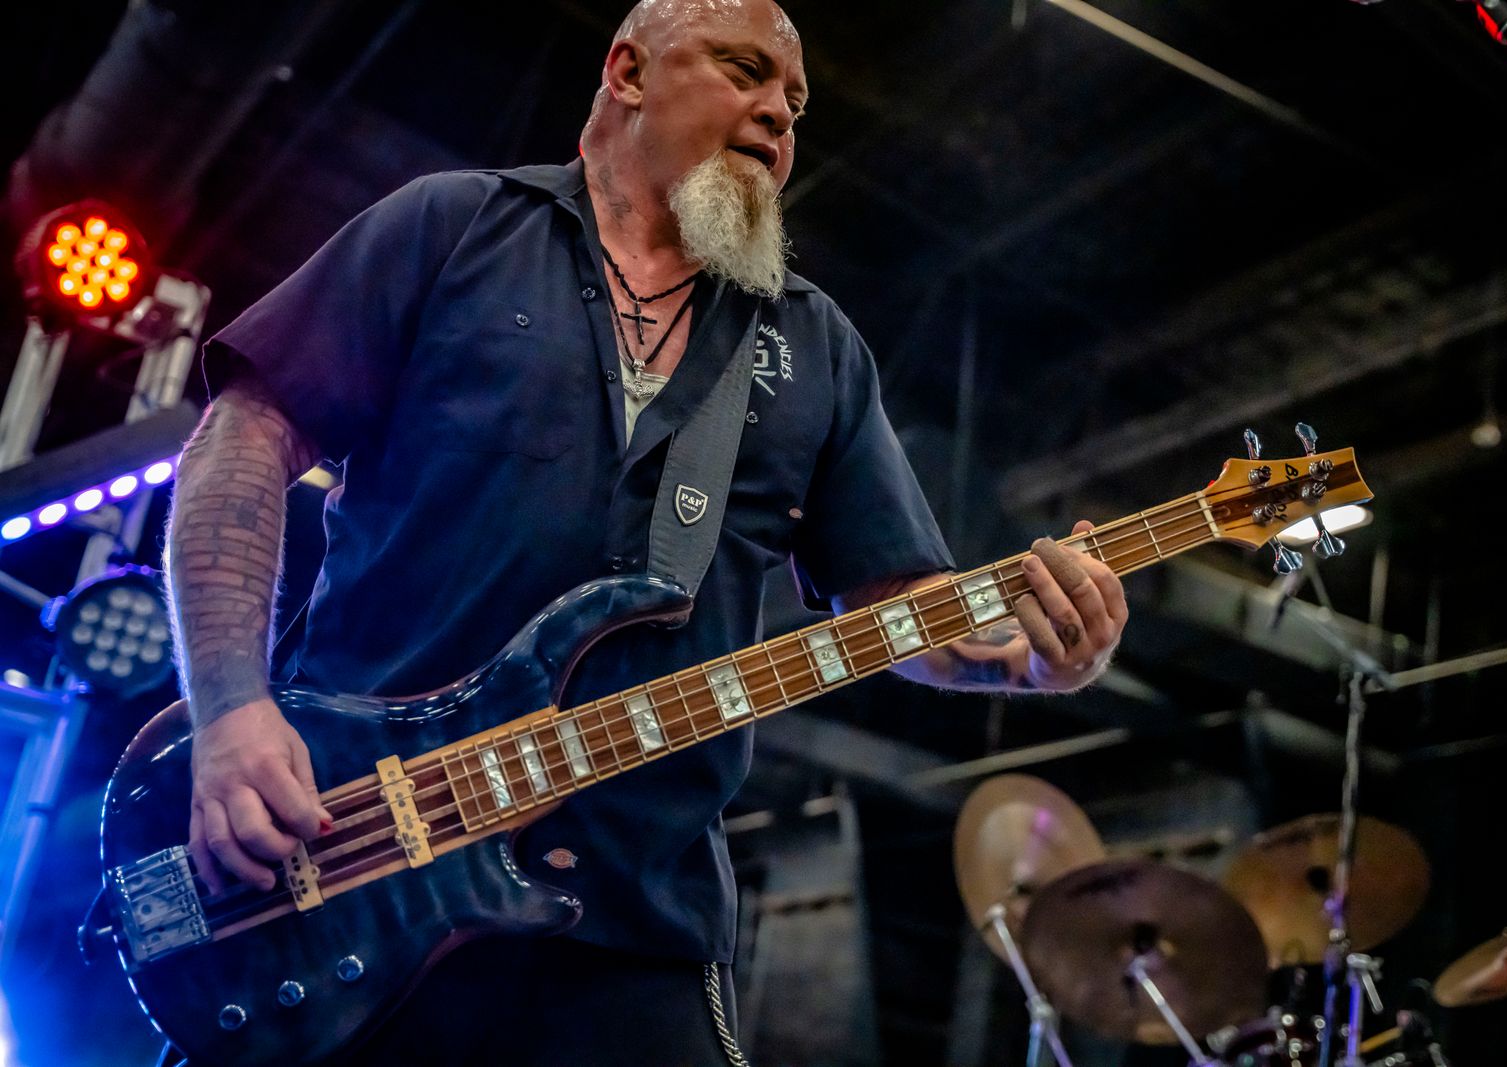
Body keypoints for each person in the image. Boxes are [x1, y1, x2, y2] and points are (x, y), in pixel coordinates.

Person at [165, 0, 1129, 1062]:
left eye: (796, 101)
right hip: (352, 863)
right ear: (628, 71)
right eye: (745, 71)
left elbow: (898, 603)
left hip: (636, 925)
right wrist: (231, 707)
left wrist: (1029, 656)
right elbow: (242, 439)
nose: (780, 114)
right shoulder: (454, 227)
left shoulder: (812, 343)